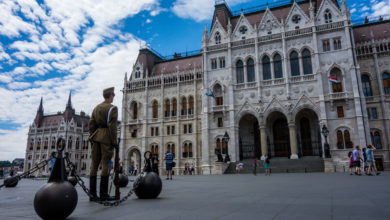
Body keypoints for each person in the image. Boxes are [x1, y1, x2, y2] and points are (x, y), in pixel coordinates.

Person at [88, 87, 118, 201]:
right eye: (113, 95)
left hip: (96, 137)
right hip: (106, 138)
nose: (113, 97)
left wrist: (94, 135)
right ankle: (103, 194)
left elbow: (91, 124)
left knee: (94, 165)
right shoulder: (112, 108)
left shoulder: (96, 108)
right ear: (110, 96)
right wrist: (114, 141)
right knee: (105, 164)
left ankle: (92, 194)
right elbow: (112, 127)